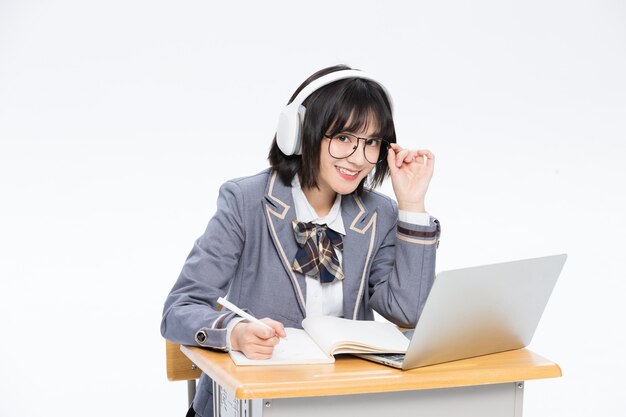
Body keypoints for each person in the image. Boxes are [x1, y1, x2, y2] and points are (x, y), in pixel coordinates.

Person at [161, 64, 440, 417]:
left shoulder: (379, 214)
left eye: (371, 143)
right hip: (256, 403)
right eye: (343, 138)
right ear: (299, 132)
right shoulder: (246, 202)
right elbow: (179, 309)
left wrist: (412, 206)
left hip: (342, 404)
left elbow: (408, 312)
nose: (358, 158)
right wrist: (234, 333)